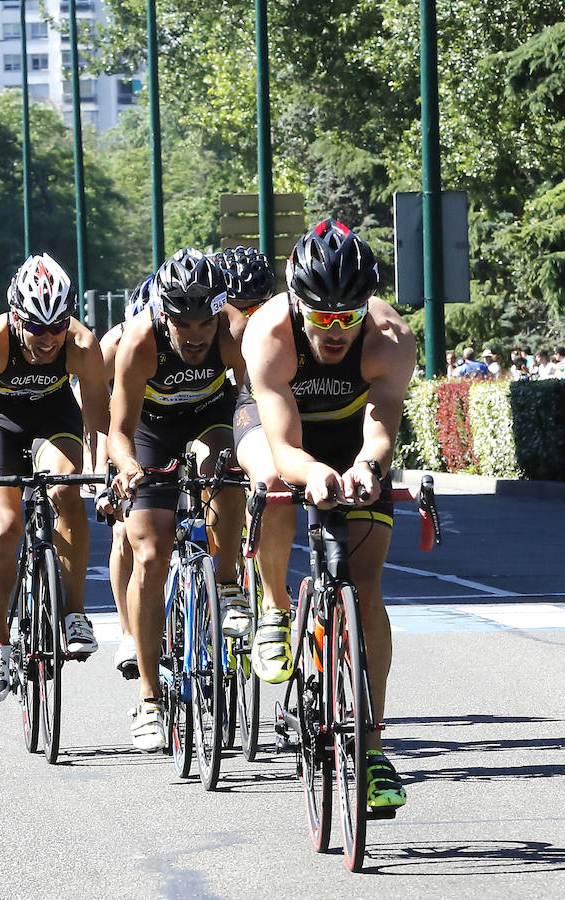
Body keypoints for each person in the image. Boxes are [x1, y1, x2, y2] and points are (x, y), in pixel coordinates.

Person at [234, 219, 415, 811]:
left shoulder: (388, 336)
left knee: (366, 595)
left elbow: (383, 425)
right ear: (296, 303)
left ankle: (372, 750)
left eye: (348, 317)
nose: (335, 332)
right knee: (271, 480)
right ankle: (276, 607)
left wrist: (366, 466)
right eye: (322, 317)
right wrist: (312, 475)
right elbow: (285, 448)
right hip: (278, 430)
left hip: (349, 434)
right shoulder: (269, 332)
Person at [107, 247, 247, 752]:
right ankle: (149, 698)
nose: (193, 334)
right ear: (162, 313)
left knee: (224, 468)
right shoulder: (139, 342)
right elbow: (117, 431)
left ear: (218, 313)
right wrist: (126, 469)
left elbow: (256, 398)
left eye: (203, 322)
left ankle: (227, 584)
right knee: (150, 552)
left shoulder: (233, 332)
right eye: (181, 321)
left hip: (212, 414)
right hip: (152, 432)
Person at [0, 253, 110, 702]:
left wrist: (102, 481)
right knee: (3, 528)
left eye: (57, 326)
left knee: (67, 488)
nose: (48, 338)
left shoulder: (82, 344)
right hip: (2, 424)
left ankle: (75, 612)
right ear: (16, 316)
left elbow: (98, 425)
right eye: (37, 327)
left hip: (54, 418)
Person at [96, 275, 156, 679]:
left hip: (187, 419)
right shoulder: (113, 347)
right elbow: (100, 422)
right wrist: (105, 477)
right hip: (133, 427)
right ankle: (129, 632)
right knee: (122, 531)